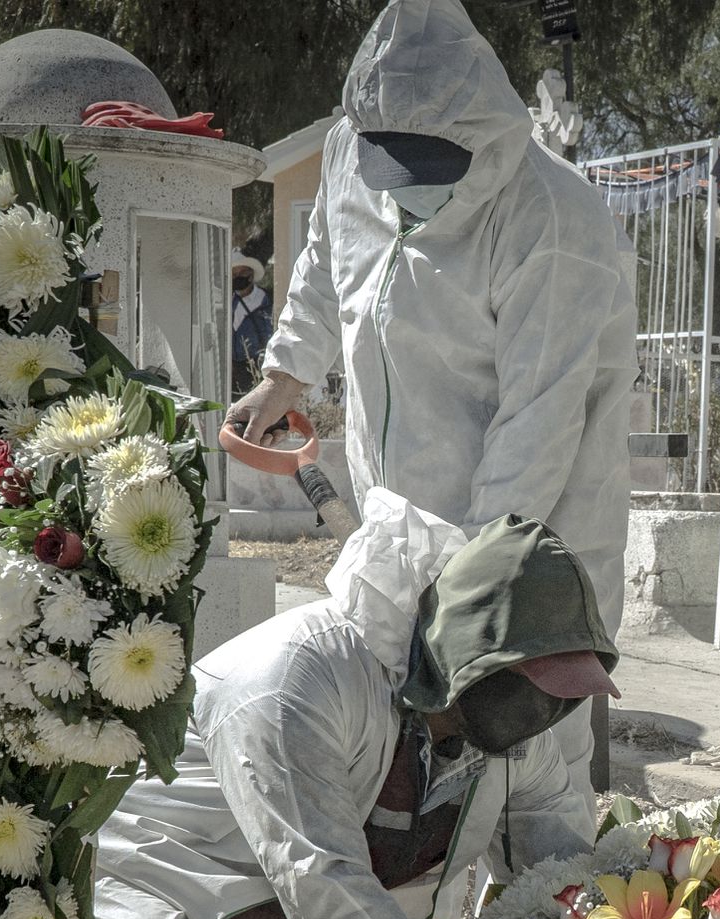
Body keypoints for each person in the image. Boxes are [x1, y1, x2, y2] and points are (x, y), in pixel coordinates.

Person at [90, 489, 619, 919]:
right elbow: (323, 886)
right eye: (534, 684)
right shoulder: (293, 678)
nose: (549, 710)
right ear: (467, 655)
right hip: (154, 887)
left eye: (567, 691)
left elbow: (558, 882)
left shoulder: (521, 737)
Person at [229, 0, 638, 797]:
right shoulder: (353, 150)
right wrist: (285, 375)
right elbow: (325, 268)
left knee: (532, 776)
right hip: (403, 523)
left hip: (533, 547)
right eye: (394, 169)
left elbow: (538, 421)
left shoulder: (551, 220)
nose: (407, 191)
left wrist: (467, 584)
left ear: (483, 139)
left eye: (431, 169)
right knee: (407, 772)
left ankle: (545, 912)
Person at [228, 250, 273, 394]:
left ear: (251, 274)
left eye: (242, 273)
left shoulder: (266, 301)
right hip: (234, 368)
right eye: (234, 274)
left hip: (257, 365)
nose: (238, 277)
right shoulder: (229, 301)